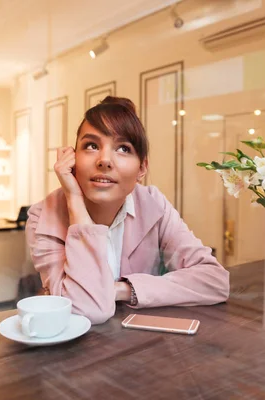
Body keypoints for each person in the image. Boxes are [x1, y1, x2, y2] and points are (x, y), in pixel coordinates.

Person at [25, 96, 229, 324]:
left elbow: (214, 281)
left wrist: (122, 289)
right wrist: (74, 199)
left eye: (123, 148)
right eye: (91, 146)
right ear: (73, 158)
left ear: (142, 168)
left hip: (140, 347)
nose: (104, 160)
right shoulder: (43, 217)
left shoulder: (153, 204)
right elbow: (87, 308)